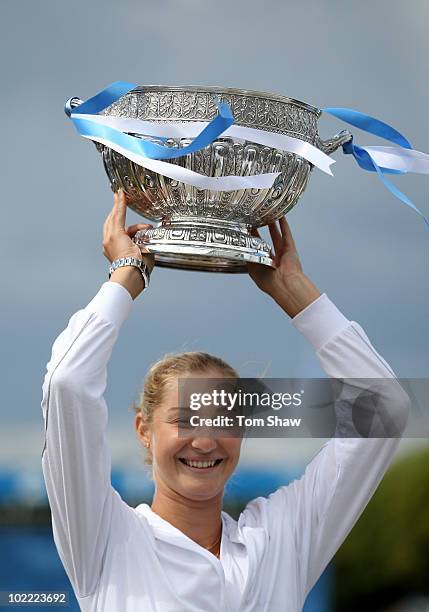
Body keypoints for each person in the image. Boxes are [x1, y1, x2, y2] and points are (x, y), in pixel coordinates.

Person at [41, 190, 410, 612]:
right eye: (184, 419)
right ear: (144, 429)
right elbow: (67, 383)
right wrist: (126, 276)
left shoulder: (280, 539)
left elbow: (383, 407)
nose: (204, 441)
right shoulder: (104, 537)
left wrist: (294, 290)